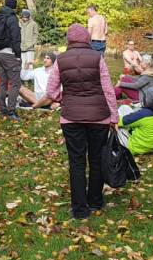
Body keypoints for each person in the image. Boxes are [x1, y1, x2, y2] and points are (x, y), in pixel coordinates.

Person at [32, 24, 118, 220]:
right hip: (99, 117)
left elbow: (51, 91)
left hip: (71, 117)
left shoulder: (60, 60)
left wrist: (65, 97)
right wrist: (114, 116)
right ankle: (95, 201)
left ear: (69, 40)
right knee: (96, 159)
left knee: (77, 162)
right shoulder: (97, 57)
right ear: (87, 38)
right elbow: (108, 89)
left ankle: (79, 209)